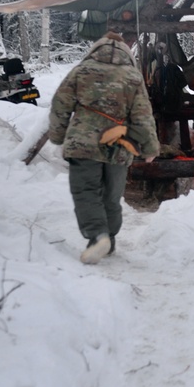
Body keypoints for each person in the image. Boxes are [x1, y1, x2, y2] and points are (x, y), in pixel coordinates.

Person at [48, 31, 160, 265]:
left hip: (83, 143)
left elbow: (60, 103)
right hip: (119, 146)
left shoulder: (81, 71)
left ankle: (98, 237)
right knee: (112, 194)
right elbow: (143, 116)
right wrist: (150, 148)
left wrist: (58, 136)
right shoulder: (132, 76)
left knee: (87, 191)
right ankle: (109, 238)